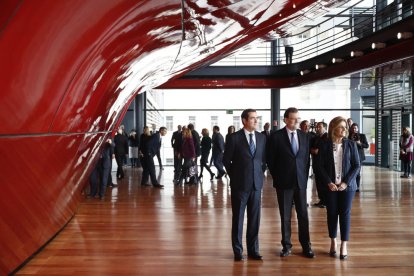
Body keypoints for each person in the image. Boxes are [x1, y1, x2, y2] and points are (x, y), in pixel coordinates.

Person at [267, 107, 314, 258]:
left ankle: (306, 246)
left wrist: (304, 177)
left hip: (300, 182)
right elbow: (271, 161)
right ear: (285, 120)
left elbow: (306, 160)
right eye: (293, 119)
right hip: (283, 183)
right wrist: (278, 178)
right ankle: (286, 246)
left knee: (303, 215)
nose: (296, 121)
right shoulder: (276, 137)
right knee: (285, 216)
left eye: (297, 118)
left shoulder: (304, 136)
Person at [314, 116, 360, 260]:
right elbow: (319, 166)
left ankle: (344, 244)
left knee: (345, 214)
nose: (344, 129)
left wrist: (346, 182)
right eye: (341, 127)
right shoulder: (325, 145)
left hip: (347, 187)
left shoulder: (351, 144)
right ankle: (333, 241)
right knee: (332, 213)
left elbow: (356, 165)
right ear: (333, 128)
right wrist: (328, 182)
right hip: (331, 187)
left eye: (345, 127)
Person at [223, 109, 267, 261]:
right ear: (244, 120)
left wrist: (259, 174)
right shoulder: (234, 138)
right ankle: (238, 251)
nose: (256, 121)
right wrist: (235, 177)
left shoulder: (261, 138)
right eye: (253, 118)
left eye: (257, 118)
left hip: (256, 185)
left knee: (255, 219)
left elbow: (263, 160)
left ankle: (254, 250)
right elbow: (226, 161)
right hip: (239, 185)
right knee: (238, 219)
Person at [311, 122, 328, 208]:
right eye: (317, 127)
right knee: (318, 184)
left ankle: (326, 201)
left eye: (319, 127)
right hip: (316, 164)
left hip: (325, 165)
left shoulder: (328, 137)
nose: (317, 128)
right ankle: (321, 200)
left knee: (324, 183)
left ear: (325, 128)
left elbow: (328, 150)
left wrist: (318, 151)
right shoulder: (316, 137)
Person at [348, 123, 369, 190]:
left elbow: (366, 145)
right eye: (353, 128)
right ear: (351, 129)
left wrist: (360, 143)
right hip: (350, 156)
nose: (354, 129)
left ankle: (357, 186)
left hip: (359, 156)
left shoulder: (362, 136)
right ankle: (350, 184)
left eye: (356, 128)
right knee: (350, 171)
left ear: (358, 128)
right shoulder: (348, 136)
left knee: (357, 172)